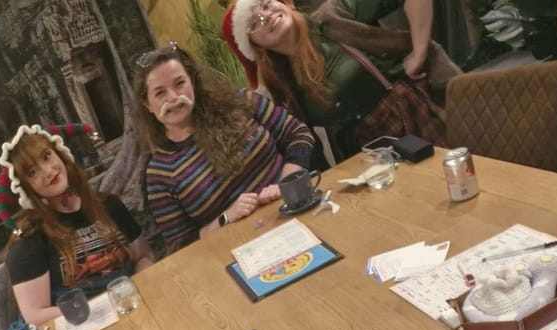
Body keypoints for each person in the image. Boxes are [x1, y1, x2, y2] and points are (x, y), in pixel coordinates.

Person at [130, 42, 315, 254]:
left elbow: (298, 134)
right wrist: (225, 218)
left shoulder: (238, 101)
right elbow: (181, 247)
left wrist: (286, 182)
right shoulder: (158, 174)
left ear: (193, 82)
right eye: (160, 93)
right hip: (245, 251)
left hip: (297, 210)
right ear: (148, 105)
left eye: (180, 83)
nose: (173, 98)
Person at [222, 0, 458, 161]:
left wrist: (419, 50)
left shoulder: (330, 17)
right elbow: (307, 149)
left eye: (265, 3)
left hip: (412, 120)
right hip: (365, 157)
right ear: (255, 46)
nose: (266, 16)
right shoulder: (282, 87)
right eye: (255, 23)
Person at [0, 123, 154, 326]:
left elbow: (144, 256)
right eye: (32, 172)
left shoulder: (109, 205)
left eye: (47, 156)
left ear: (59, 153)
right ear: (26, 187)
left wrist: (142, 286)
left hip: (135, 307)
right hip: (82, 326)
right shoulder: (29, 241)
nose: (47, 171)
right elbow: (34, 315)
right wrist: (104, 308)